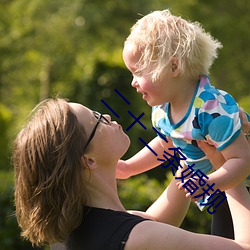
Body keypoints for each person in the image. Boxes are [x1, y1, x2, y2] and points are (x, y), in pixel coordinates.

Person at [13, 98, 250, 250]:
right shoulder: (138, 238)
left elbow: (155, 221)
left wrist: (191, 138)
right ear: (88, 160)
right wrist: (228, 165)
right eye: (97, 120)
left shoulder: (71, 235)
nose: (106, 116)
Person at [120, 9, 250, 239]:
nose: (133, 82)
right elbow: (167, 142)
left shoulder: (211, 109)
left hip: (240, 190)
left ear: (173, 67)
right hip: (218, 191)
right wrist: (130, 167)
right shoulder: (162, 109)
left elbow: (242, 160)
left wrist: (209, 182)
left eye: (138, 72)